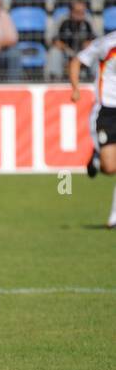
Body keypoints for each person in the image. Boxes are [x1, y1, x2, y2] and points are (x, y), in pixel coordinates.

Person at [69, 29, 116, 227]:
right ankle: (96, 159)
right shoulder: (107, 43)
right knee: (110, 167)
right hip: (106, 109)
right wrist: (75, 88)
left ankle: (114, 218)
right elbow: (77, 61)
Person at [48, 1, 94, 81]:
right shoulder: (62, 20)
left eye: (83, 12)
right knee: (54, 51)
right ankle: (55, 79)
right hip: (66, 52)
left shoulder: (88, 20)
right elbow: (51, 38)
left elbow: (98, 39)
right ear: (71, 12)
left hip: (83, 53)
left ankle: (95, 77)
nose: (81, 14)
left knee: (95, 52)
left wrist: (90, 44)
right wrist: (60, 45)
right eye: (77, 12)